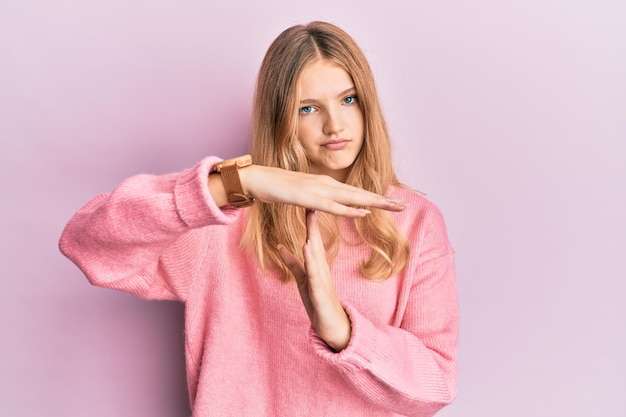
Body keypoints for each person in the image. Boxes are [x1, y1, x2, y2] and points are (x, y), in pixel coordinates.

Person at [59, 21, 459, 417]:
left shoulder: (415, 222)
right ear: (281, 118)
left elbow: (435, 385)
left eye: (348, 99)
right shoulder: (223, 222)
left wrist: (340, 330)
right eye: (308, 108)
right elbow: (88, 243)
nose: (334, 124)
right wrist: (242, 181)